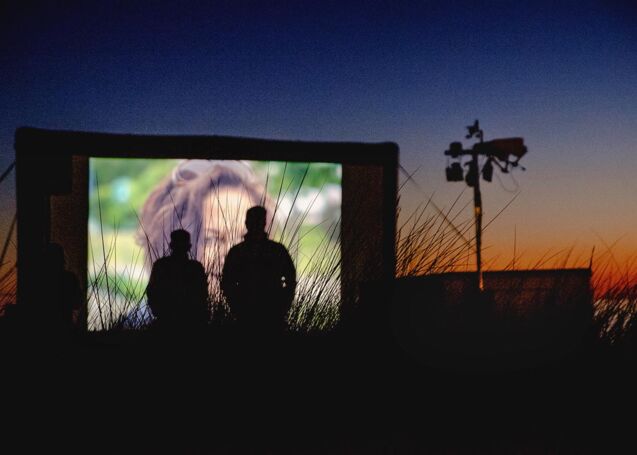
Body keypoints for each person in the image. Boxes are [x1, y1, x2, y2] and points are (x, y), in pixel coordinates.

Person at [221, 206, 296, 332]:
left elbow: (227, 282)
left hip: (250, 313)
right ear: (265, 223)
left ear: (246, 223)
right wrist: (282, 305)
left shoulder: (237, 252)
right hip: (268, 312)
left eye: (257, 221)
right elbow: (291, 279)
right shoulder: (277, 250)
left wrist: (236, 306)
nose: (256, 225)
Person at [146, 229, 209, 332]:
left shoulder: (161, 265)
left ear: (171, 245)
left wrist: (159, 311)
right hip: (191, 322)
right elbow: (203, 295)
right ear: (189, 247)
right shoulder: (196, 268)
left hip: (165, 320)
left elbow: (152, 291)